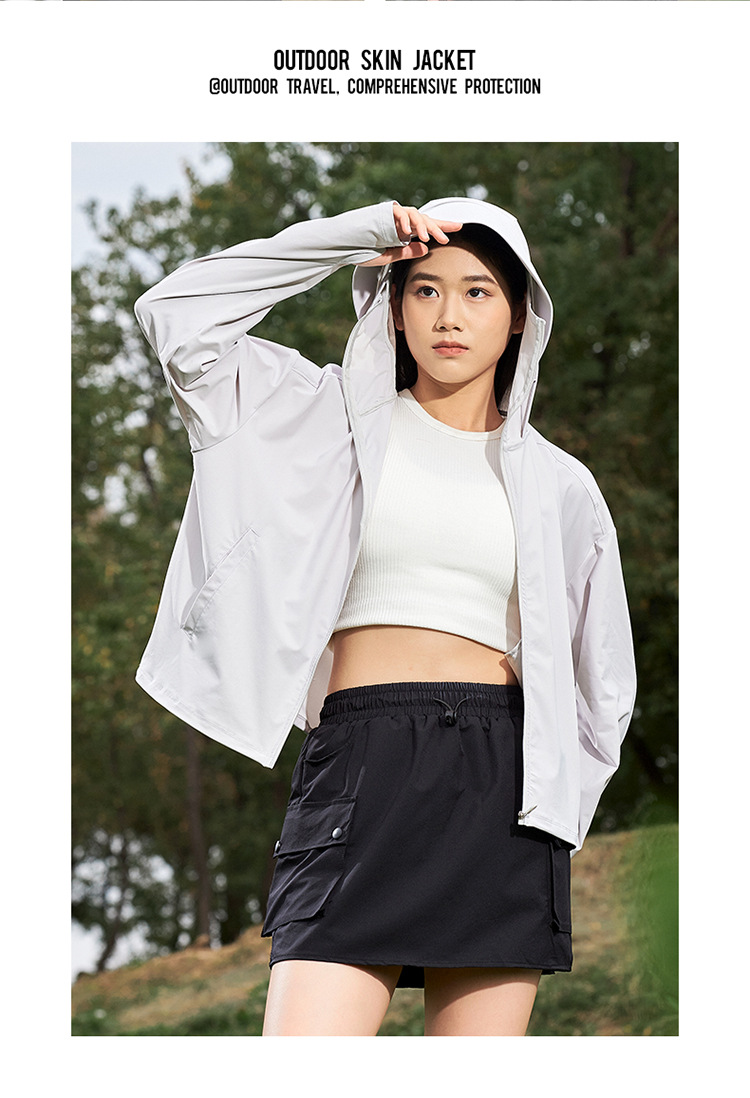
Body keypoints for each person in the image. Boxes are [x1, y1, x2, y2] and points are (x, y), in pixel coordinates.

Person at [134, 196, 636, 1036]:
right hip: (358, 764)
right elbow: (175, 313)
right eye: (425, 290)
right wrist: (359, 236)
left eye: (478, 292)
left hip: (503, 787)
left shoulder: (563, 486)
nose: (449, 316)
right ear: (392, 306)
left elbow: (603, 683)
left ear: (520, 316)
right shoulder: (315, 415)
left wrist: (556, 806)